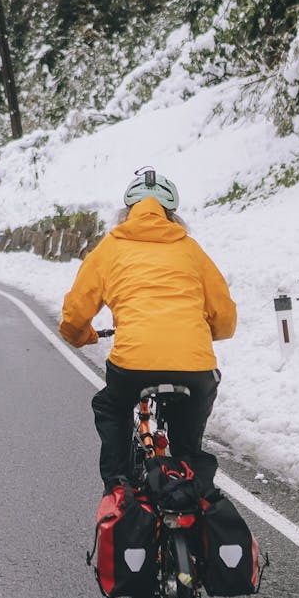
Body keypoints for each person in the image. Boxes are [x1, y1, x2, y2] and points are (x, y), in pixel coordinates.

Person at [59, 167, 237, 498]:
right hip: (196, 368)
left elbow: (73, 317)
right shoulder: (190, 249)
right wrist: (197, 334)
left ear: (126, 211)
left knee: (111, 406)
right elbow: (225, 317)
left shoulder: (111, 246)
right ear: (173, 215)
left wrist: (84, 336)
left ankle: (118, 485)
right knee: (187, 447)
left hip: (133, 364)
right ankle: (189, 476)